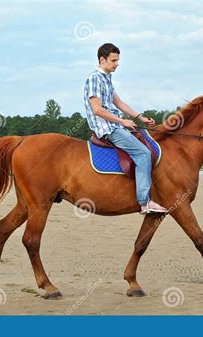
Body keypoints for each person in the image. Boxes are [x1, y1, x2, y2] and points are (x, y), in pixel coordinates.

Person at [84, 43, 168, 214]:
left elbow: (119, 103)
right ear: (102, 59)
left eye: (118, 60)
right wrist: (123, 122)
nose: (117, 64)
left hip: (115, 124)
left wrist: (140, 118)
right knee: (143, 153)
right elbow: (97, 109)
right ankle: (145, 202)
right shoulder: (94, 78)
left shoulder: (106, 78)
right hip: (108, 129)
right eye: (114, 60)